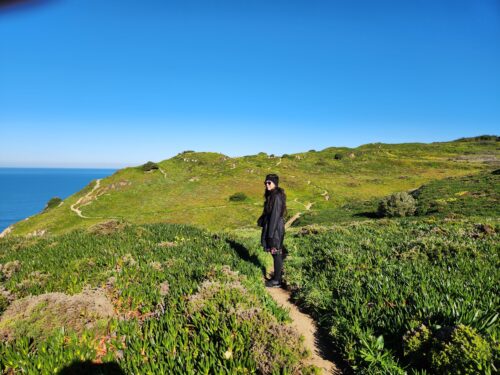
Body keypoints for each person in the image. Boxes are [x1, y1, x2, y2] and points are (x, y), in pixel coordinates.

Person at [257, 173, 288, 287]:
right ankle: (277, 278)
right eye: (265, 183)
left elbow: (275, 216)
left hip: (275, 229)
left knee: (276, 253)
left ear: (275, 183)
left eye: (269, 182)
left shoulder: (276, 196)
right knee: (275, 252)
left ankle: (277, 280)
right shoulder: (272, 195)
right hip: (273, 228)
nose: (266, 185)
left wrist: (270, 235)